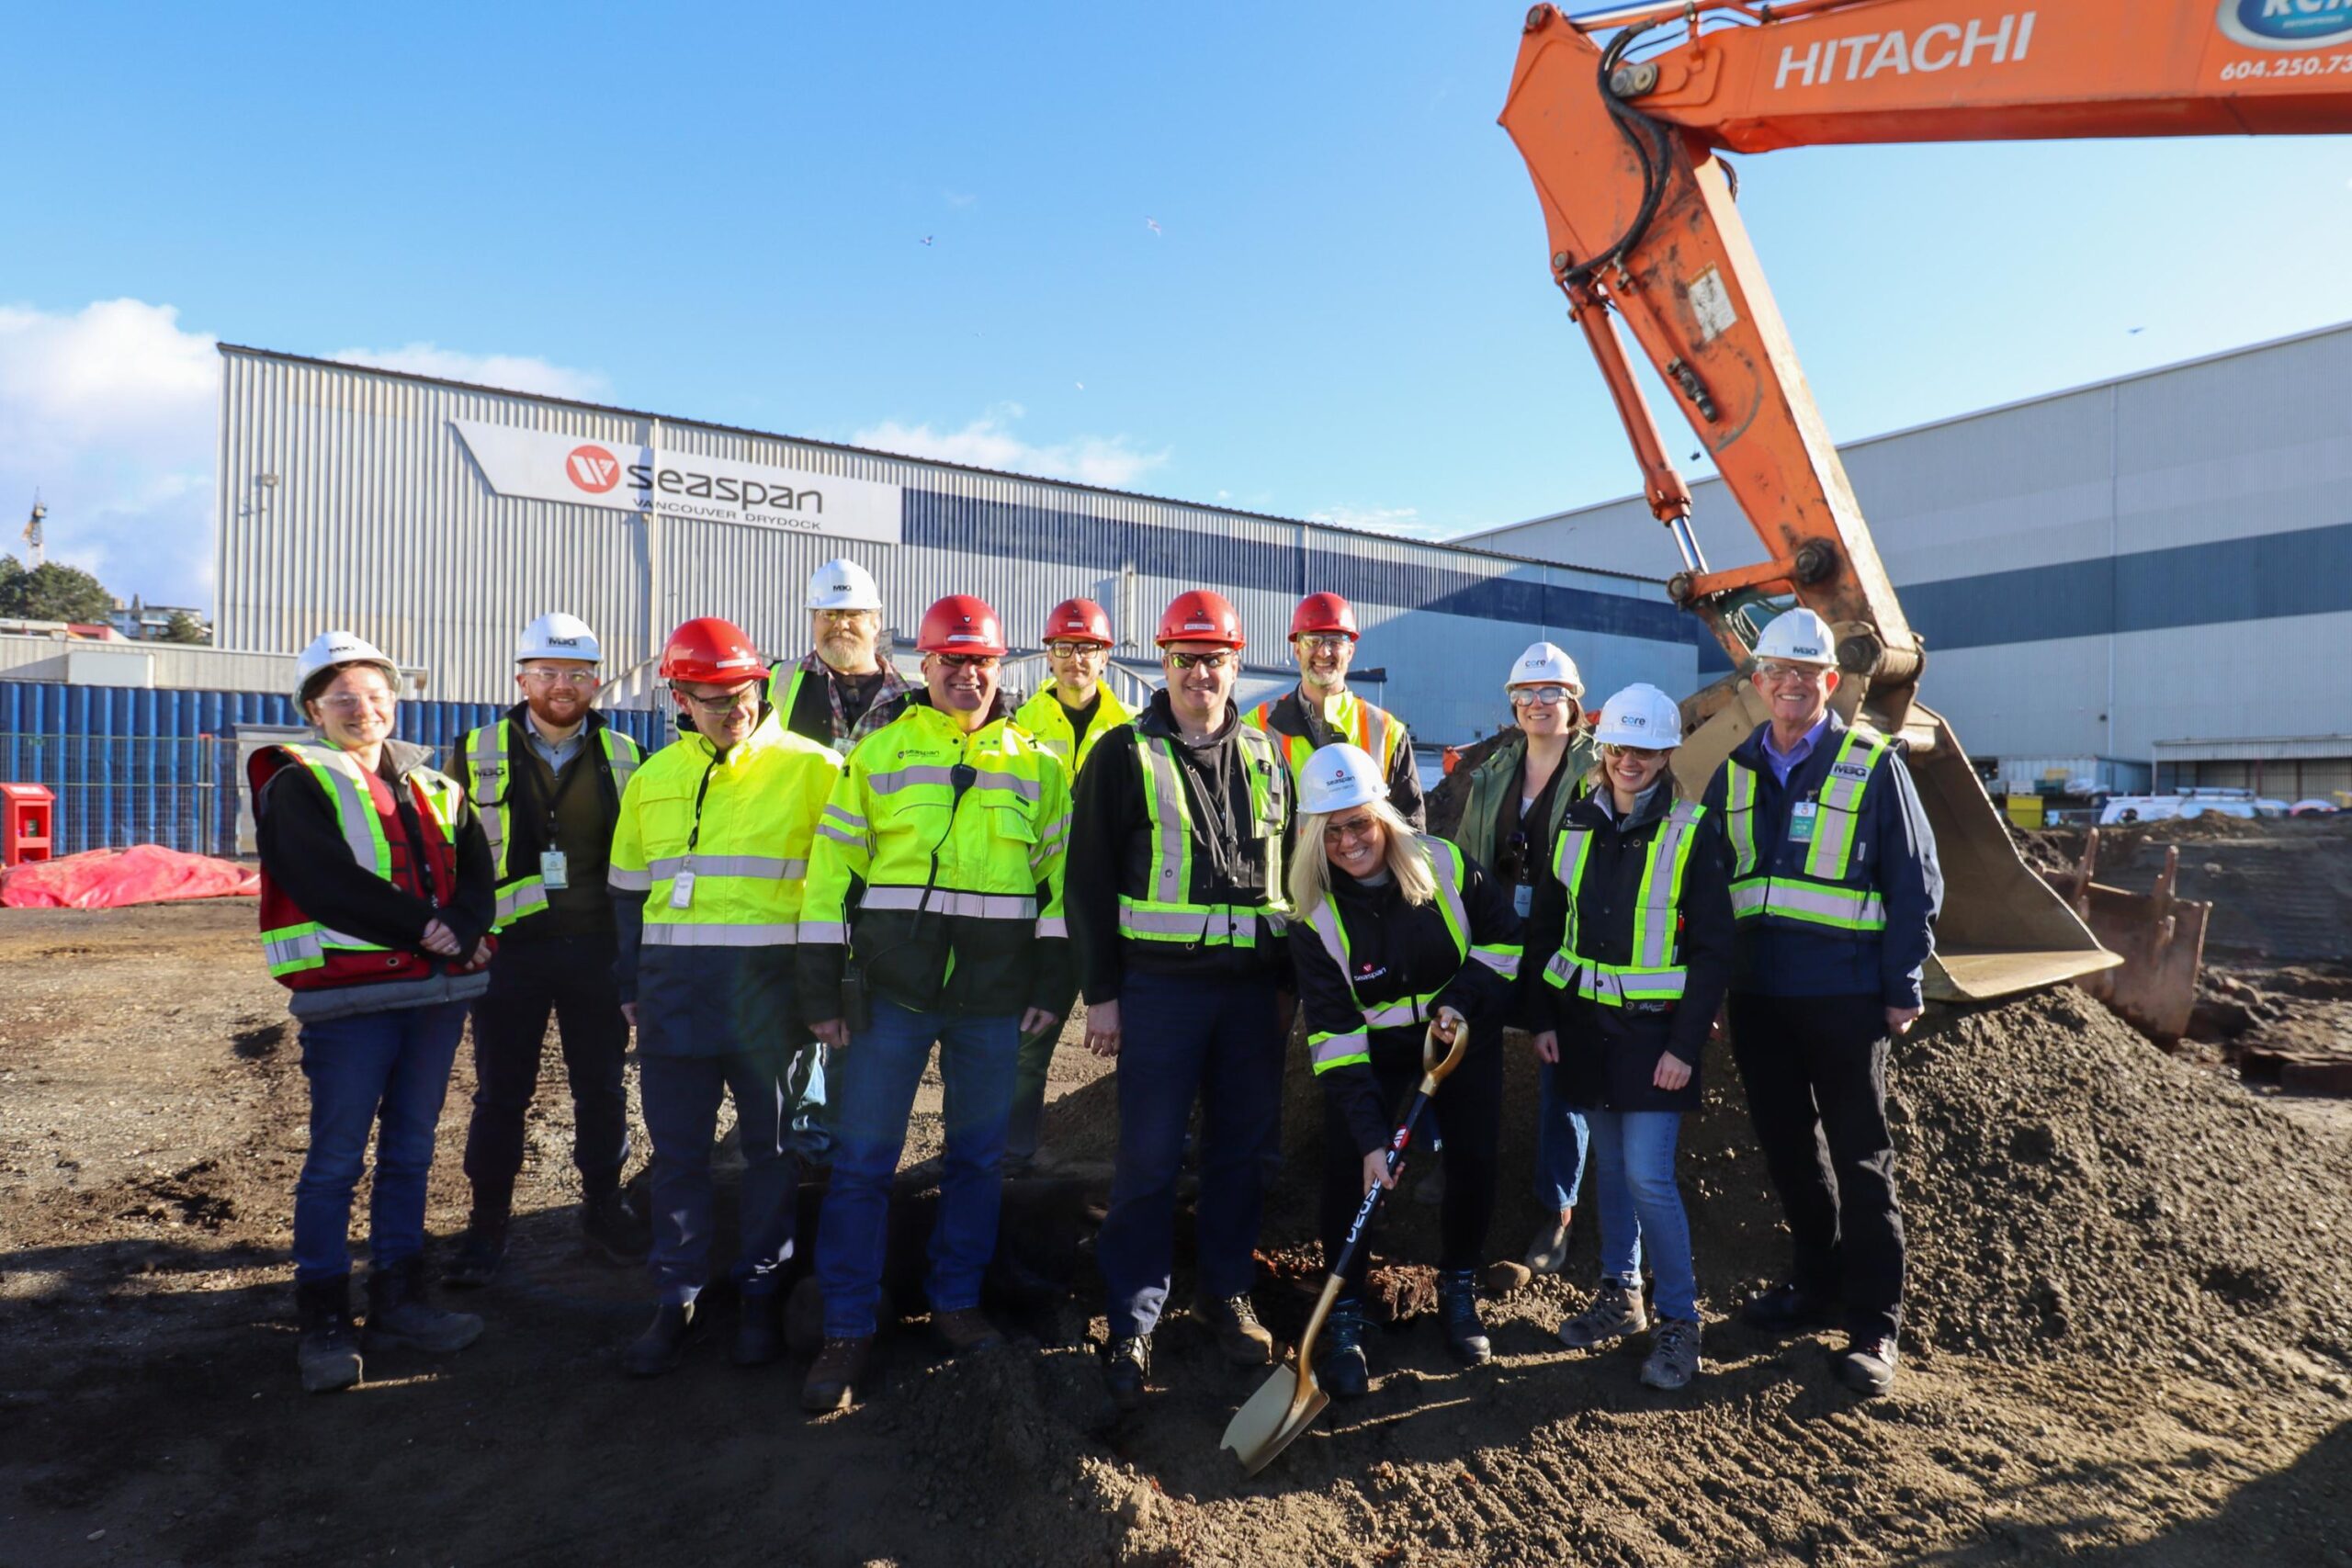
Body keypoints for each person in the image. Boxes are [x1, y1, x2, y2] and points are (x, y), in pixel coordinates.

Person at [798, 595, 1072, 1413]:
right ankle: (847, 1325)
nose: (966, 673)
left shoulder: (1040, 765)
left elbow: (1060, 893)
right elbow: (829, 880)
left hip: (994, 1005)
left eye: (980, 660)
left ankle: (956, 1304)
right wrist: (821, 989)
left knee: (978, 1162)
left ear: (1001, 666)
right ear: (925, 666)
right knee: (861, 1165)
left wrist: (1053, 986)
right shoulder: (878, 754)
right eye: (951, 660)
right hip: (894, 999)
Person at [1701, 608, 1942, 1396]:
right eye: (1779, 672)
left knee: (1861, 1157)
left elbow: (1915, 879)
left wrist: (1903, 981)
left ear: (1830, 683)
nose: (1793, 685)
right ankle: (1814, 1284)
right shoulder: (1733, 769)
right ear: (1759, 681)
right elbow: (1704, 891)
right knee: (1788, 1151)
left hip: (1843, 996)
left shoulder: (1871, 762)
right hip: (1760, 997)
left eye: (1808, 674)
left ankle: (1875, 1322)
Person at [253, 630, 495, 1393]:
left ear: (396, 699)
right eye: (344, 698)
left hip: (433, 997)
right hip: (351, 1000)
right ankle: (324, 1318)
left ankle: (399, 1297)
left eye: (375, 694)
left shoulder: (437, 784)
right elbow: (322, 880)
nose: (364, 708)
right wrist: (428, 928)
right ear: (314, 711)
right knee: (335, 1161)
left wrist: (464, 922)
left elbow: (478, 870)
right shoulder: (299, 781)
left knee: (411, 1151)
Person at [1069, 590, 1293, 1411]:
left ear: (1238, 664)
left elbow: (1292, 883)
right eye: (1185, 660)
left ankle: (1226, 1291)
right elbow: (1086, 880)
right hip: (1160, 990)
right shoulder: (1124, 752)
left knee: (1242, 1151)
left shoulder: (1271, 756)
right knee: (1150, 1156)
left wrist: (1287, 987)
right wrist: (1101, 994)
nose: (1201, 674)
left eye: (1215, 660)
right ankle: (1131, 1314)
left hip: (1249, 997)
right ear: (1164, 663)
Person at [608, 616, 843, 1377]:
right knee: (677, 1158)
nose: (729, 708)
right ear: (679, 695)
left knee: (772, 1155)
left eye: (740, 693)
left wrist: (822, 992)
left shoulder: (816, 769)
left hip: (770, 1005)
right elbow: (625, 894)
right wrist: (629, 986)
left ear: (760, 685)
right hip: (674, 1000)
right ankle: (676, 1294)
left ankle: (760, 1298)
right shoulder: (652, 779)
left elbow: (842, 892)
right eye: (710, 697)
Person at [1289, 744, 1521, 1395]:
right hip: (1376, 1055)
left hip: (1458, 1039)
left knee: (1474, 1161)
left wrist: (1460, 1002)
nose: (1348, 840)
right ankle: (1345, 1320)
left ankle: (1459, 1288)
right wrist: (1370, 1139)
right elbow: (1335, 1040)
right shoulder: (1314, 916)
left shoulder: (1442, 864)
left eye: (1359, 822)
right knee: (1350, 1178)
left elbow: (1504, 942)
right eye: (1331, 830)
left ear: (1384, 817)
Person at [1526, 684, 1733, 1393]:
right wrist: (1544, 1019)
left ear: (1667, 753)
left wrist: (1684, 1047)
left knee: (1647, 1172)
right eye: (1618, 747)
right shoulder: (1577, 824)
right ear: (1603, 748)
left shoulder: (1693, 829)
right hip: (1585, 1029)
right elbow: (1547, 927)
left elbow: (1711, 951)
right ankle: (1622, 1295)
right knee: (1610, 1169)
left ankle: (1680, 1322)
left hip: (1653, 1036)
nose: (1628, 760)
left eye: (1643, 749)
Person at [445, 613, 649, 1289]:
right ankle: (488, 1222)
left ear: (597, 682)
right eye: (549, 673)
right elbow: (448, 860)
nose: (563, 686)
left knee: (602, 1087)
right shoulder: (471, 750)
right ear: (522, 677)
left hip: (597, 950)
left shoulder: (626, 755)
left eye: (578, 675)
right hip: (511, 955)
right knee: (502, 1093)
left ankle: (602, 1206)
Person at [1450, 641, 1599, 1274]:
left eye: (1551, 694)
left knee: (1562, 1068)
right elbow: (1461, 858)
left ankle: (1557, 1209)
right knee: (1459, 1036)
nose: (1539, 705)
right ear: (1512, 703)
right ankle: (1449, 1161)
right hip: (1501, 934)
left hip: (1567, 943)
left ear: (1573, 702)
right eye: (1527, 694)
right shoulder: (1493, 770)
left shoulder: (1597, 770)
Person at [765, 557, 914, 1165]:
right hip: (793, 880)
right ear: (811, 618)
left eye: (853, 613)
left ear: (878, 621)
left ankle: (850, 1132)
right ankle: (801, 1141)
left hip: (877, 885)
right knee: (799, 1015)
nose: (840, 624)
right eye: (828, 613)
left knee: (863, 1013)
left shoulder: (912, 699)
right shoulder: (774, 685)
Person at [1006, 596, 1136, 1168]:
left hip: (1117, 911)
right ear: (1048, 654)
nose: (1075, 659)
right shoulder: (1016, 728)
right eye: (1064, 647)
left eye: (1087, 648)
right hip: (1047, 912)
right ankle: (1012, 1155)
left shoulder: (1135, 728)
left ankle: (1141, 1154)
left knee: (1141, 1040)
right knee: (1027, 1045)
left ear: (1105, 656)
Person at [1245, 592, 1424, 829]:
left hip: (1359, 863)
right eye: (1312, 641)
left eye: (1335, 641)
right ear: (1297, 650)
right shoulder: (1255, 727)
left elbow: (1410, 827)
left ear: (1350, 651)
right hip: (1288, 866)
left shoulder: (1386, 732)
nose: (1323, 652)